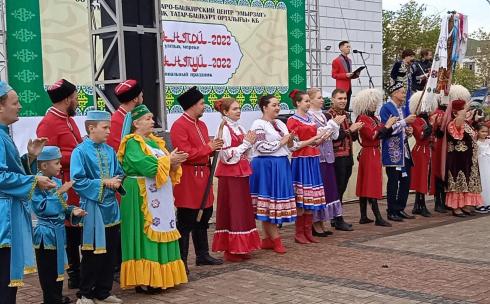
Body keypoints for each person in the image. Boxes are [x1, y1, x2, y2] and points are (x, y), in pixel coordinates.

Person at [117, 104, 188, 292]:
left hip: (160, 194)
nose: (152, 121)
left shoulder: (154, 142)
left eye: (151, 118)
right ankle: (146, 279)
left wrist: (174, 162)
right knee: (145, 232)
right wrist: (169, 161)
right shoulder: (131, 142)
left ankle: (163, 275)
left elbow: (161, 163)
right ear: (136, 123)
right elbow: (145, 166)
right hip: (141, 193)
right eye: (147, 118)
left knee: (164, 227)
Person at [0, 81, 56, 304]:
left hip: (8, 214)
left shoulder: (4, 134)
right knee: (4, 279)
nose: (20, 106)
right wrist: (34, 180)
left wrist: (30, 158)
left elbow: (11, 172)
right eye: (15, 103)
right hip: (3, 218)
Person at [70, 110, 124, 304]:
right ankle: (84, 293)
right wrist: (103, 183)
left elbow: (119, 172)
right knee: (92, 253)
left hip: (111, 209)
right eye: (105, 127)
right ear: (91, 128)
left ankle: (103, 291)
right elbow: (77, 180)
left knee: (110, 253)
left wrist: (117, 180)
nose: (109, 131)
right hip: (93, 209)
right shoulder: (80, 151)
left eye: (109, 127)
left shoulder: (110, 151)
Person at [170, 86, 224, 272]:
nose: (204, 106)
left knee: (205, 216)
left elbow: (204, 149)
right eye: (201, 103)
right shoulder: (179, 125)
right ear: (192, 105)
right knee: (186, 221)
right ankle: (181, 261)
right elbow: (184, 153)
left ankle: (202, 254)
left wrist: (213, 147)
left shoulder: (201, 124)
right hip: (188, 178)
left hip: (204, 176)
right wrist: (208, 148)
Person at [36, 78, 83, 289]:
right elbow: (46, 157)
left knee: (77, 228)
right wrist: (77, 154)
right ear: (66, 99)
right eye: (75, 97)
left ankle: (78, 272)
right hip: (61, 185)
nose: (78, 101)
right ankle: (74, 273)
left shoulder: (68, 119)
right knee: (70, 231)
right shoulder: (48, 122)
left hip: (73, 183)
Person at [30, 146, 87, 304]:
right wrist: (61, 191)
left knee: (58, 267)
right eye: (56, 163)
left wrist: (72, 212)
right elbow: (42, 208)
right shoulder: (36, 184)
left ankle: (57, 296)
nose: (60, 166)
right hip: (45, 234)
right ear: (44, 166)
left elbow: (61, 207)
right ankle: (51, 299)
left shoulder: (55, 181)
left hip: (58, 232)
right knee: (47, 270)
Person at [211, 98, 261, 262]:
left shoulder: (239, 127)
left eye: (239, 108)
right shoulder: (223, 128)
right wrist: (245, 144)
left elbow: (245, 149)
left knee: (242, 209)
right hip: (230, 173)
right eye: (234, 109)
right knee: (233, 209)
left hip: (240, 171)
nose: (238, 111)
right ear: (225, 112)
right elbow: (225, 156)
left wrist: (248, 145)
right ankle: (231, 249)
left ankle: (241, 246)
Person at [249, 95, 297, 253]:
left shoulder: (280, 123)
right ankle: (276, 240)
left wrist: (290, 141)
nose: (278, 108)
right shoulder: (258, 124)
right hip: (266, 165)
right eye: (274, 105)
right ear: (264, 107)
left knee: (272, 203)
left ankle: (267, 239)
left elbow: (291, 146)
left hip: (281, 164)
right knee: (269, 201)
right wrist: (281, 142)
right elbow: (261, 146)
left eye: (278, 105)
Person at [287, 90, 328, 244]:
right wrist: (313, 139)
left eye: (308, 101)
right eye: (305, 101)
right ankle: (299, 233)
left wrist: (321, 138)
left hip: (313, 158)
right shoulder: (292, 120)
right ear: (297, 103)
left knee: (311, 196)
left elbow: (314, 140)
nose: (308, 103)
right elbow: (294, 145)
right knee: (302, 196)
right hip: (301, 160)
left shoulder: (310, 118)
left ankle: (307, 231)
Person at [353, 89, 396, 227]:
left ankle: (364, 215)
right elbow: (373, 135)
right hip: (369, 151)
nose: (374, 105)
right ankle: (377, 217)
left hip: (373, 151)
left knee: (367, 182)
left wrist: (388, 127)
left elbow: (381, 132)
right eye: (372, 103)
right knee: (371, 183)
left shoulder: (373, 118)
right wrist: (387, 126)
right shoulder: (363, 118)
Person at [307, 88, 343, 237]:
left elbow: (333, 136)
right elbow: (317, 137)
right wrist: (333, 124)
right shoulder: (309, 117)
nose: (322, 100)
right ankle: (314, 224)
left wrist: (335, 126)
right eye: (319, 97)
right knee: (319, 192)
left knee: (327, 191)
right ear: (311, 100)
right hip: (318, 158)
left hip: (327, 157)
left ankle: (321, 221)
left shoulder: (323, 115)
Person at [442, 86, 483, 217]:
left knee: (467, 181)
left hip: (468, 159)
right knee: (458, 181)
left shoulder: (466, 123)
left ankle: (465, 204)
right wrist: (463, 110)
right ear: (455, 113)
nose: (466, 112)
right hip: (457, 159)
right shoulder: (453, 124)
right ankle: (456, 207)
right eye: (463, 110)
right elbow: (458, 128)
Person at [380, 82, 417, 222]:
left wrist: (409, 130)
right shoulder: (386, 108)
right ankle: (391, 210)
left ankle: (400, 208)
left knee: (406, 180)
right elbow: (387, 129)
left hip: (404, 149)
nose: (404, 95)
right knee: (394, 181)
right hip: (392, 151)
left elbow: (402, 128)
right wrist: (404, 122)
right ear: (395, 93)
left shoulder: (402, 108)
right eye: (402, 92)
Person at [327, 89, 363, 231]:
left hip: (348, 155)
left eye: (344, 98)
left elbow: (352, 137)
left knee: (342, 187)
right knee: (337, 187)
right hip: (337, 156)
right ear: (333, 99)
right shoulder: (329, 115)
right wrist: (350, 130)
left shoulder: (347, 115)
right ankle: (337, 218)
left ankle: (336, 217)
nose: (343, 101)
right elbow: (333, 137)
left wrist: (356, 130)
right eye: (340, 98)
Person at [408, 91, 434, 217]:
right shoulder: (417, 120)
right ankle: (420, 204)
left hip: (426, 149)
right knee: (421, 178)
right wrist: (432, 126)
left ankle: (419, 204)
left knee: (424, 177)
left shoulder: (426, 119)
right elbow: (421, 135)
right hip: (420, 149)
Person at [107, 79, 143, 152]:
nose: (143, 99)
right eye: (141, 96)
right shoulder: (115, 121)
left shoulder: (130, 116)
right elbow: (119, 152)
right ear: (135, 99)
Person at [429, 96, 448, 213]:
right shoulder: (437, 113)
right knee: (439, 173)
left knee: (443, 174)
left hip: (444, 145)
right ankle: (438, 202)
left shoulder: (446, 112)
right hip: (439, 146)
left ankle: (443, 201)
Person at [331, 41, 358, 110]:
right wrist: (345, 75)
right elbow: (334, 75)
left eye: (349, 47)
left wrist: (355, 75)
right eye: (347, 47)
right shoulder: (336, 61)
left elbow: (348, 75)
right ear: (341, 48)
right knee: (340, 108)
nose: (349, 48)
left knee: (346, 108)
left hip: (349, 87)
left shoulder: (349, 60)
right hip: (341, 87)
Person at [390, 49, 416, 116]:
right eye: (411, 56)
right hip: (400, 90)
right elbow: (392, 77)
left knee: (409, 105)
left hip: (409, 90)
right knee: (401, 105)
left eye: (413, 57)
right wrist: (394, 90)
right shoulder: (398, 64)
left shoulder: (411, 67)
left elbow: (413, 78)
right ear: (406, 56)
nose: (413, 58)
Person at [475, 123, 490, 213]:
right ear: (477, 132)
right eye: (482, 131)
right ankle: (480, 203)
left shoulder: (488, 141)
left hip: (488, 164)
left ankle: (488, 202)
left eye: (486, 132)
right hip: (480, 166)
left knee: (488, 183)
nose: (485, 133)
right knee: (482, 183)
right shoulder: (476, 143)